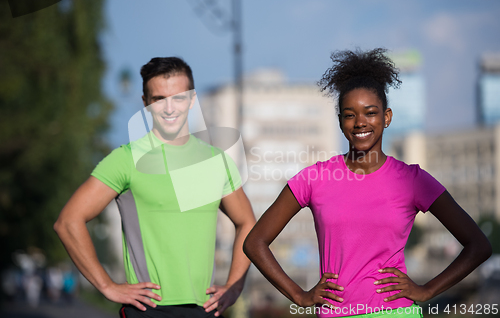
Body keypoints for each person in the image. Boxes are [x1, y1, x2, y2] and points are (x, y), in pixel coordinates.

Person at [243, 48, 492, 318]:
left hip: (396, 313)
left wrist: (427, 290)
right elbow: (255, 242)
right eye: (349, 115)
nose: (360, 122)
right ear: (340, 122)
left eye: (370, 112)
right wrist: (299, 295)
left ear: (387, 117)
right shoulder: (314, 178)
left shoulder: (412, 180)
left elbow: (478, 245)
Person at [54, 57, 255, 318]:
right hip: (148, 310)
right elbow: (68, 222)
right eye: (159, 99)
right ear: (146, 103)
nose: (169, 108)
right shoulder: (126, 159)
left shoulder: (216, 162)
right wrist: (107, 286)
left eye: (179, 98)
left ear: (192, 100)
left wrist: (234, 286)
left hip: (204, 310)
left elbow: (248, 223)